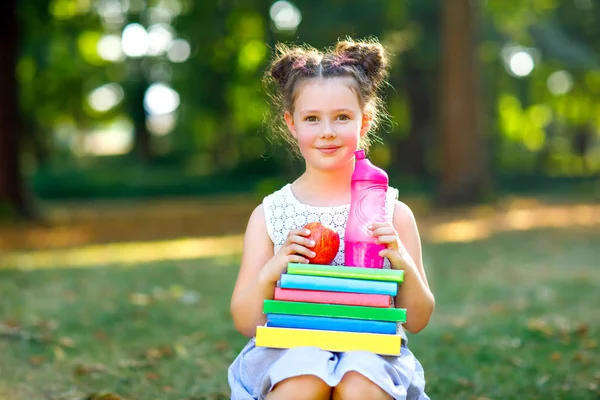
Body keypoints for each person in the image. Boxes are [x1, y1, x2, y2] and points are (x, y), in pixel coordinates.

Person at [228, 37, 435, 400]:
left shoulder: (392, 213)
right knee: (304, 378)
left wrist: (401, 260)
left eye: (342, 117)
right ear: (292, 124)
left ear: (364, 121)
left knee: (360, 381)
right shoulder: (271, 214)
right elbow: (246, 321)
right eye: (312, 119)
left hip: (371, 350)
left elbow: (417, 320)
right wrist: (275, 266)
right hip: (288, 350)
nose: (327, 131)